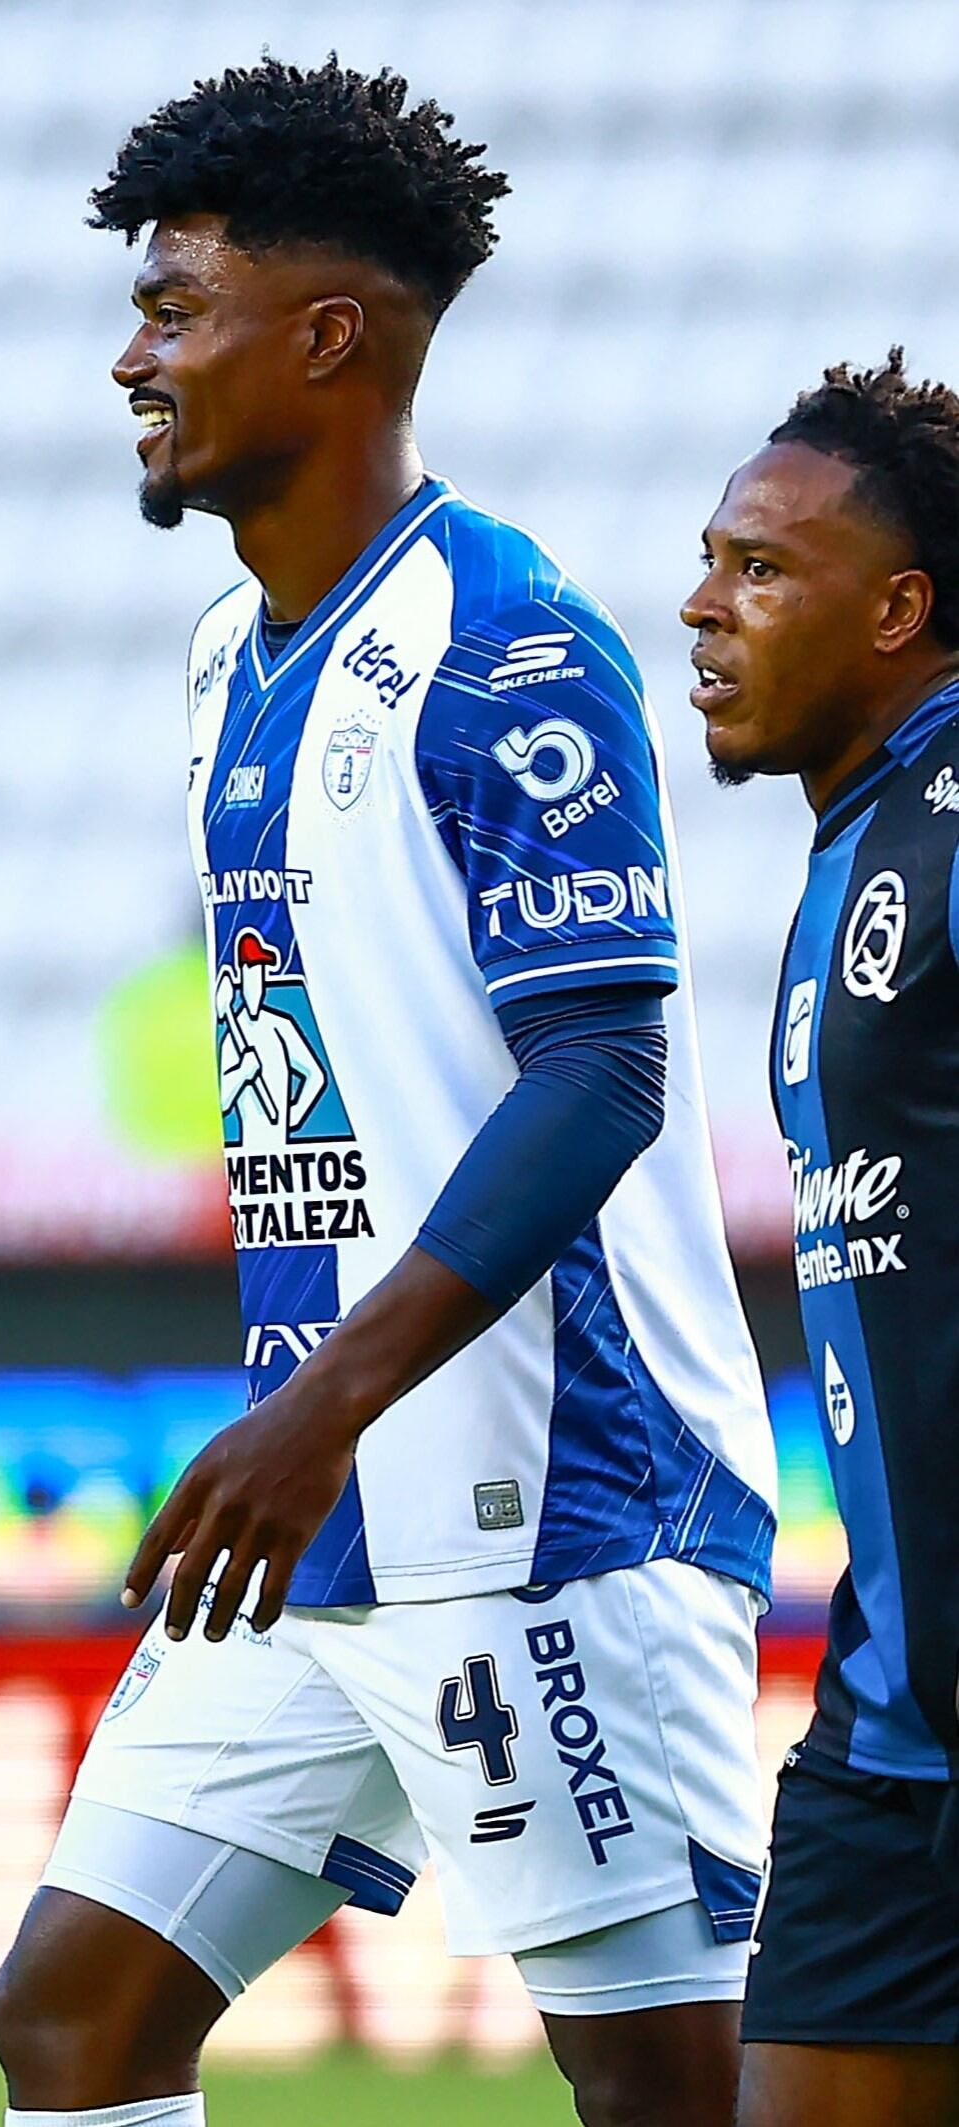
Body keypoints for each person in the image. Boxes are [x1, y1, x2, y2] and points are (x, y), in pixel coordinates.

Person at [0, 60, 778, 2127]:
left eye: (174, 310)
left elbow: (600, 1065)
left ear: (323, 337)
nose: (130, 357)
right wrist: (312, 1421)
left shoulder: (502, 643)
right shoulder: (221, 660)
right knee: (71, 2016)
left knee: (671, 2095)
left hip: (551, 1513)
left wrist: (323, 1396)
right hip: (316, 1521)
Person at [681, 352, 959, 2127]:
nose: (701, 608)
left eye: (761, 570)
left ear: (899, 610)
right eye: (709, 561)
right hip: (889, 1717)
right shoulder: (849, 843)